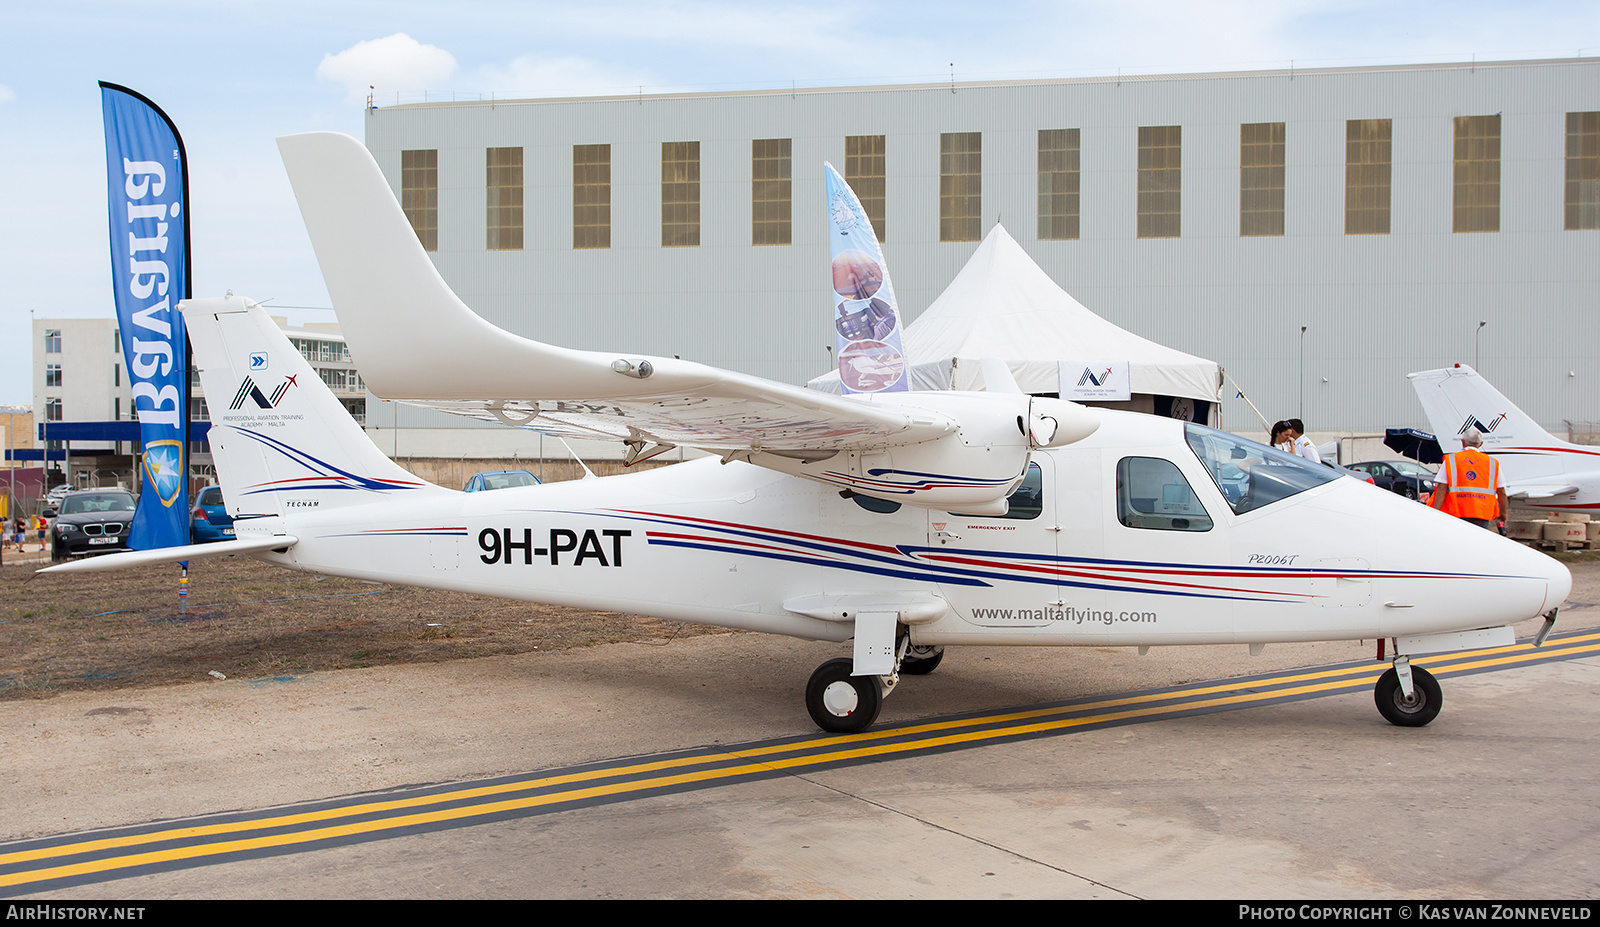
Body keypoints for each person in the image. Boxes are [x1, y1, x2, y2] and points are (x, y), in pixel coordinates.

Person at [1429, 428, 1507, 531]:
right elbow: (1501, 491)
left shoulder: (1451, 460)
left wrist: (1436, 512)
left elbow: (1442, 488)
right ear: (1480, 444)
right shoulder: (1492, 463)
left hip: (1456, 511)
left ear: (1462, 442)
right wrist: (1503, 514)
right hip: (1481, 513)